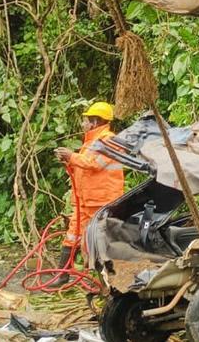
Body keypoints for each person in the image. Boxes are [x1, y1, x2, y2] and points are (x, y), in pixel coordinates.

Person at [52, 101, 124, 275]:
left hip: (102, 200)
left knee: (100, 240)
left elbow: (93, 164)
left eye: (86, 120)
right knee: (72, 236)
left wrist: (72, 156)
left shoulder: (109, 140)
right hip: (86, 201)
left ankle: (109, 279)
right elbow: (82, 170)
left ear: (96, 121)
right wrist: (68, 160)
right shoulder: (90, 143)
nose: (83, 123)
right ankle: (62, 276)